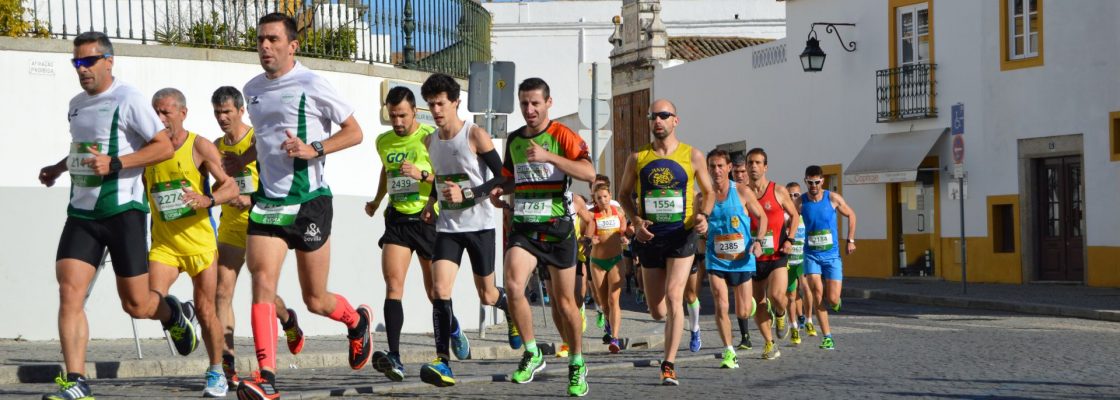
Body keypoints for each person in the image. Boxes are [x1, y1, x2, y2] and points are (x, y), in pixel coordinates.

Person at [38, 31, 195, 400]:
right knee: (69, 292)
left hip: (123, 211)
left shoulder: (129, 98)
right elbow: (83, 150)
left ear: (109, 60)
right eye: (76, 62)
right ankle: (76, 380)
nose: (82, 69)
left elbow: (161, 147)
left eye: (89, 61)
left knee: (137, 304)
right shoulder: (76, 103)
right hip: (81, 213)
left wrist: (119, 162)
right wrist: (59, 168)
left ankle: (172, 312)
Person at [236, 13, 369, 400]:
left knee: (316, 299)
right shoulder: (252, 88)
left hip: (309, 201)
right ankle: (267, 377)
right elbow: (263, 138)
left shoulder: (312, 82)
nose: (264, 46)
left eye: (273, 40)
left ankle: (357, 322)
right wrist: (239, 160)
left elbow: (355, 132)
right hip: (269, 204)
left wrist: (316, 149)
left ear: (292, 46)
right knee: (262, 283)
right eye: (260, 39)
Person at [490, 77, 595, 396]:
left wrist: (550, 157)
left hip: (557, 226)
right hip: (524, 225)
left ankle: (577, 362)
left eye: (535, 103)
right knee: (512, 284)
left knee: (565, 304)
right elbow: (512, 179)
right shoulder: (515, 139)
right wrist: (500, 190)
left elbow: (589, 173)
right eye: (524, 103)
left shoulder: (562, 135)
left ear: (549, 103)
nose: (529, 109)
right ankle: (532, 352)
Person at [366, 86, 470, 381]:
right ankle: (395, 358)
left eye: (402, 115)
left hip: (427, 219)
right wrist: (376, 200)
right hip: (398, 220)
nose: (397, 122)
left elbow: (447, 176)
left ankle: (453, 328)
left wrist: (421, 176)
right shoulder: (383, 141)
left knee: (435, 291)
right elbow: (387, 172)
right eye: (392, 115)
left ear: (414, 112)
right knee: (393, 285)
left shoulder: (429, 137)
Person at [418, 72, 512, 388]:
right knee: (439, 291)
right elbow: (441, 180)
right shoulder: (429, 141)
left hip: (481, 225)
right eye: (431, 104)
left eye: (441, 103)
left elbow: (503, 177)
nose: (436, 110)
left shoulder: (475, 135)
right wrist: (431, 203)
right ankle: (443, 362)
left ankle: (508, 306)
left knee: (487, 295)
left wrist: (468, 194)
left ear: (456, 102)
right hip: (448, 227)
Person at [145, 88, 240, 397]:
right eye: (156, 112)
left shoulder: (198, 146)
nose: (160, 118)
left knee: (206, 310)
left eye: (166, 112)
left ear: (183, 113)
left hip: (200, 245)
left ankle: (216, 372)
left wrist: (207, 199)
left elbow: (230, 186)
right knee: (149, 300)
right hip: (165, 244)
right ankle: (176, 317)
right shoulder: (147, 148)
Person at [210, 86, 304, 391]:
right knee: (222, 291)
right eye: (217, 112)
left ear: (240, 111)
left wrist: (249, 201)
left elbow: (275, 182)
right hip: (230, 227)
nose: (222, 118)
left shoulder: (257, 141)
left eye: (227, 112)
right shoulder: (215, 147)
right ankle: (228, 364)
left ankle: (287, 319)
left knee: (263, 293)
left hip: (262, 220)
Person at [618, 99, 714, 386]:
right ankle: (671, 337)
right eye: (652, 116)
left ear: (676, 120)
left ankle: (668, 364)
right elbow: (623, 195)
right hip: (649, 237)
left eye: (663, 115)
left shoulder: (692, 155)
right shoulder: (637, 158)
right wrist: (635, 222)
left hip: (681, 235)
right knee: (657, 309)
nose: (657, 120)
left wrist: (703, 216)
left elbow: (708, 192)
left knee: (675, 297)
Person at [703, 149, 766, 369]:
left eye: (720, 166)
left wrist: (758, 240)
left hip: (742, 258)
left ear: (729, 168)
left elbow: (762, 216)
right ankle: (729, 351)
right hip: (716, 258)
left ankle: (748, 307)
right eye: (712, 166)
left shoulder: (741, 191)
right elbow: (695, 221)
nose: (716, 170)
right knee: (721, 303)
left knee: (742, 311)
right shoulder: (704, 195)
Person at [745, 148, 799, 360]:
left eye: (758, 162)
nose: (754, 166)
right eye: (750, 162)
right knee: (758, 302)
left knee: (777, 296)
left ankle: (780, 313)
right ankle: (769, 343)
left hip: (777, 253)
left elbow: (794, 216)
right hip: (753, 257)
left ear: (765, 167)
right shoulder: (742, 193)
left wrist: (790, 239)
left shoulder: (777, 190)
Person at [796, 165, 857, 350]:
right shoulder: (800, 202)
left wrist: (851, 239)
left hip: (832, 257)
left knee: (831, 299)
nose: (813, 185)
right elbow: (789, 218)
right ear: (805, 181)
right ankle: (827, 336)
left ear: (822, 181)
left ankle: (836, 301)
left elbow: (851, 214)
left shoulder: (832, 198)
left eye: (816, 182)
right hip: (811, 255)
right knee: (816, 294)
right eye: (809, 182)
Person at [584, 184, 628, 354]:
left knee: (613, 299)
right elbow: (586, 235)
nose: (602, 200)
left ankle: (615, 338)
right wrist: (591, 239)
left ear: (610, 196)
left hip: (616, 261)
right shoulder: (591, 214)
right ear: (594, 199)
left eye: (605, 196)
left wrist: (624, 237)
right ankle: (608, 324)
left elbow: (624, 231)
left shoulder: (619, 212)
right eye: (599, 198)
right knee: (603, 303)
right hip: (597, 263)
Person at [730, 155, 752, 349]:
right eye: (736, 172)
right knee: (740, 297)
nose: (739, 175)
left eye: (742, 172)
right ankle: (745, 337)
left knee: (769, 292)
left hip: (762, 248)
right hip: (740, 252)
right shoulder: (729, 193)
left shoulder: (753, 192)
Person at [784, 181, 808, 345]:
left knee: (806, 288)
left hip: (804, 260)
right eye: (789, 195)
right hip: (788, 262)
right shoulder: (783, 215)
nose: (792, 198)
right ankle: (793, 327)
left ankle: (808, 318)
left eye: (796, 195)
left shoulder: (807, 214)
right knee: (791, 296)